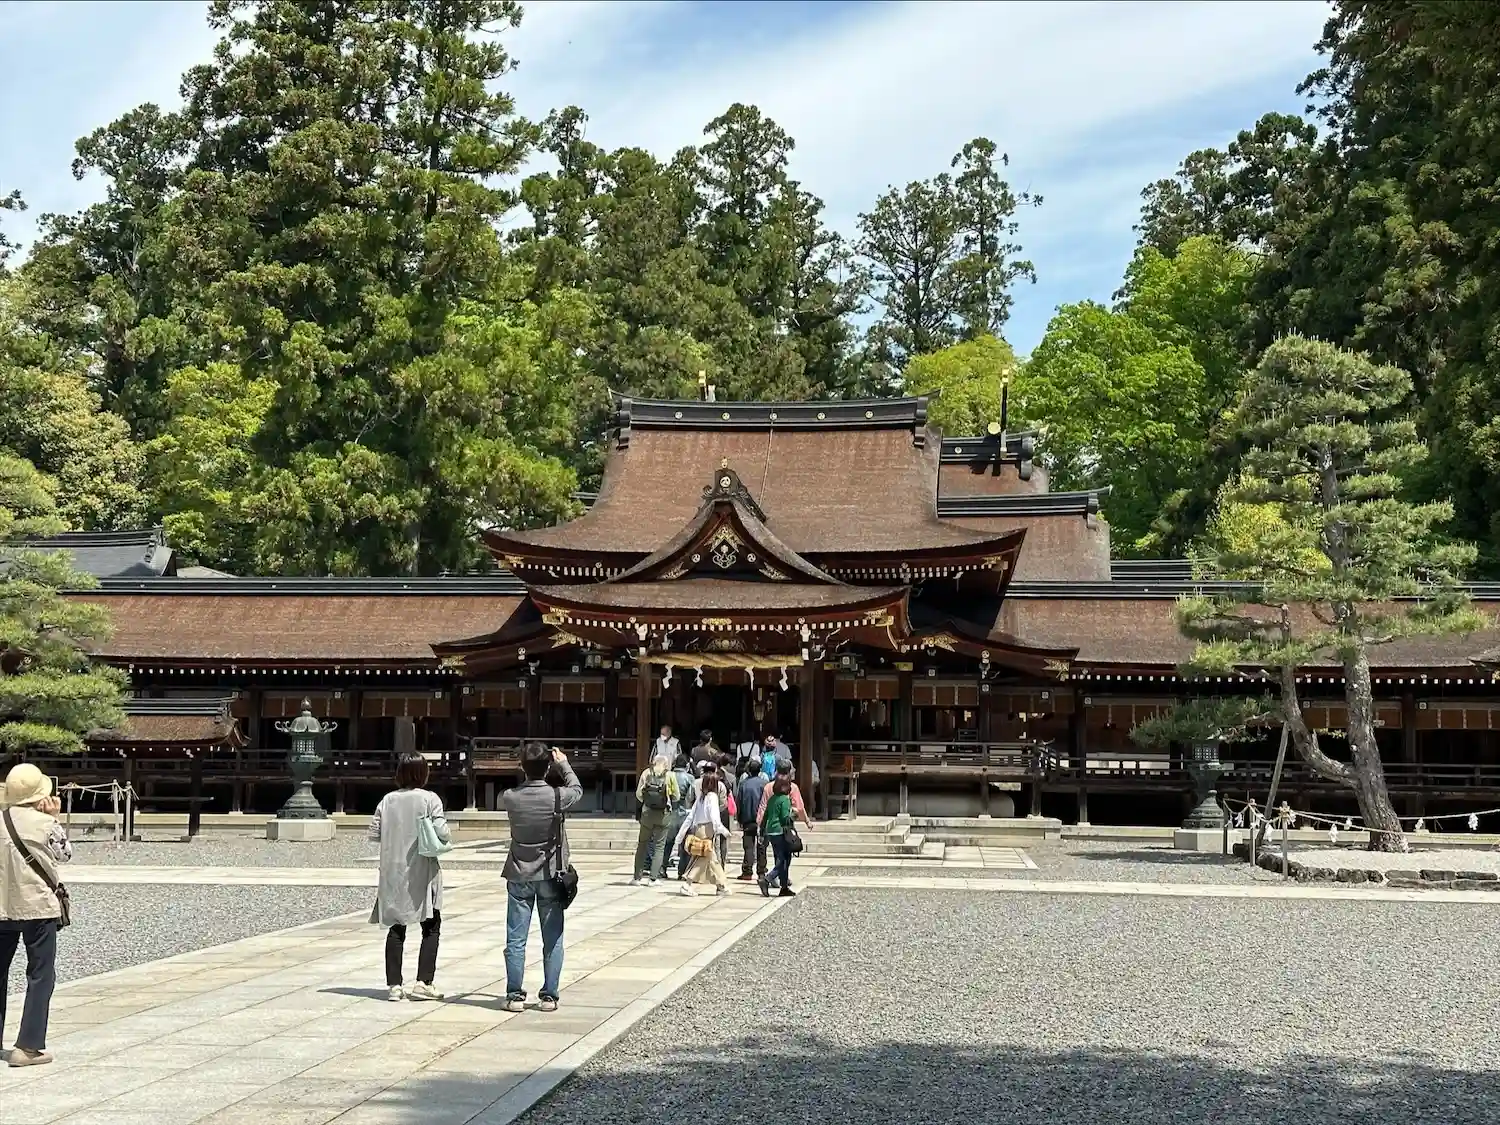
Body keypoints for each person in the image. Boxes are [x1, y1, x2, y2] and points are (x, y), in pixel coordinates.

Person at [501, 742, 583, 1013]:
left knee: (516, 938)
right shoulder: (557, 797)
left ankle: (514, 994)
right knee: (553, 937)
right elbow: (577, 789)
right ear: (547, 768)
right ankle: (549, 995)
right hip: (550, 872)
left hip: (518, 871)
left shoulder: (509, 797)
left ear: (522, 767)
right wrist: (564, 764)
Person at [0, 764, 72, 1067]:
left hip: (2, 906)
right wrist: (54, 819)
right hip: (38, 906)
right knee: (41, 975)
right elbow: (64, 854)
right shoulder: (46, 824)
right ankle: (28, 1047)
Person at [369, 753, 451, 1002]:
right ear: (423, 773)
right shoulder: (430, 799)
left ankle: (394, 985)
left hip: (393, 869)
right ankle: (424, 981)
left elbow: (374, 833)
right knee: (431, 925)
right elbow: (442, 832)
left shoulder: (387, 800)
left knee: (396, 927)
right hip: (422, 867)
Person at [671, 761, 730, 897]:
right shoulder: (712, 797)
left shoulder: (701, 798)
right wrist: (723, 831)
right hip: (707, 830)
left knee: (712, 860)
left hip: (698, 829)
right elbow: (715, 818)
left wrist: (680, 835)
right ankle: (687, 883)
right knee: (704, 858)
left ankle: (721, 885)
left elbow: (690, 817)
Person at [756, 761, 811, 895]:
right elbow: (787, 817)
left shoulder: (771, 794)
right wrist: (796, 816)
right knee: (785, 859)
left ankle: (784, 886)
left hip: (770, 830)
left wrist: (761, 831)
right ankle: (768, 878)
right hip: (782, 830)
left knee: (780, 857)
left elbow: (764, 812)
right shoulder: (786, 798)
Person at [631, 754, 678, 886]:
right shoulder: (670, 776)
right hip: (663, 814)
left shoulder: (646, 773)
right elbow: (676, 796)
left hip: (647, 814)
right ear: (666, 764)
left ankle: (637, 877)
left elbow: (638, 794)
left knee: (642, 844)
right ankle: (653, 878)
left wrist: (647, 802)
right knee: (659, 846)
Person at [735, 758, 769, 883]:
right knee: (762, 846)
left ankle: (747, 871)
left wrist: (739, 818)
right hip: (762, 820)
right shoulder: (765, 784)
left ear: (748, 770)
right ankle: (761, 871)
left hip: (748, 819)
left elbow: (738, 802)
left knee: (748, 846)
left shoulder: (743, 784)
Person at [667, 753, 694, 878]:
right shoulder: (689, 778)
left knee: (667, 843)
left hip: (670, 812)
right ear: (687, 765)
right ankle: (682, 871)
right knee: (685, 844)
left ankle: (661, 868)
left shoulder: (668, 775)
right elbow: (690, 796)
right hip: (684, 812)